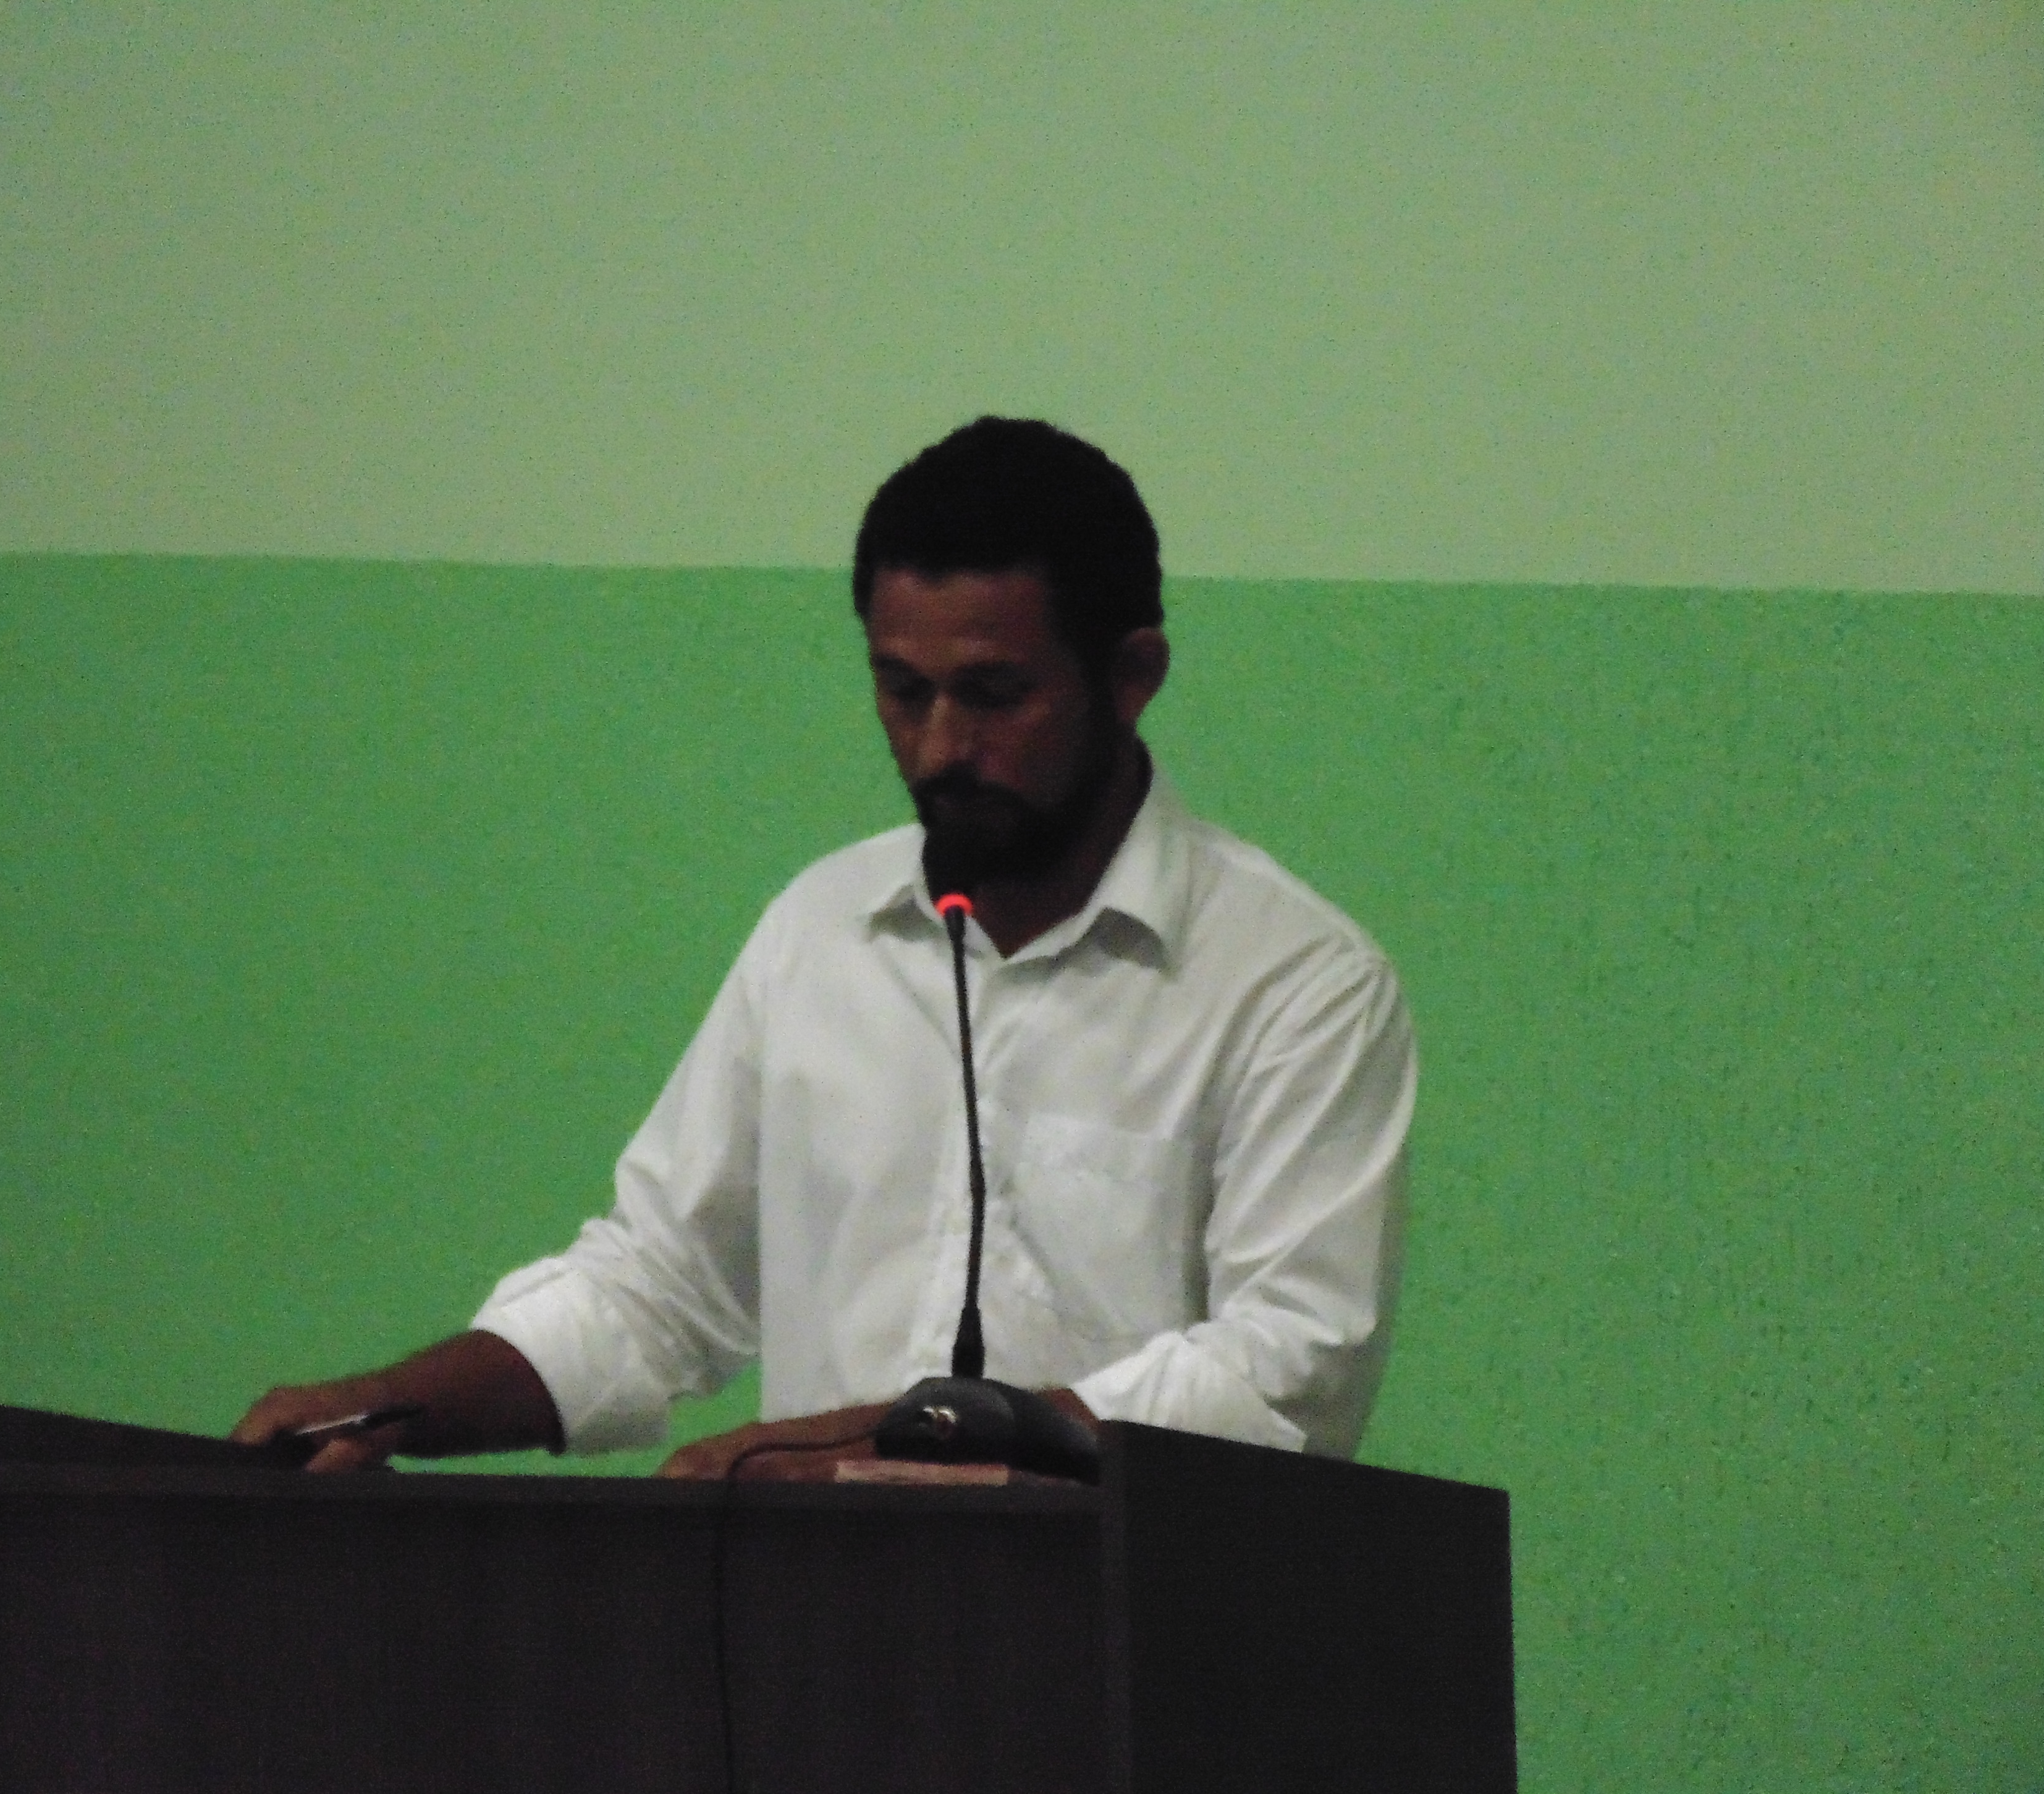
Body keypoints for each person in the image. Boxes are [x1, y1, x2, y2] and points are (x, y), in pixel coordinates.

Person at [232, 417, 1414, 1481]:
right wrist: (394, 1408)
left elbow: (1282, 1380)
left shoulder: (1292, 983)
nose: (940, 748)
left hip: (1119, 1629)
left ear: (1131, 677)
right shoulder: (820, 930)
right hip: (816, 1627)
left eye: (994, 695)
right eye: (902, 692)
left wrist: (863, 1446)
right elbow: (658, 1287)